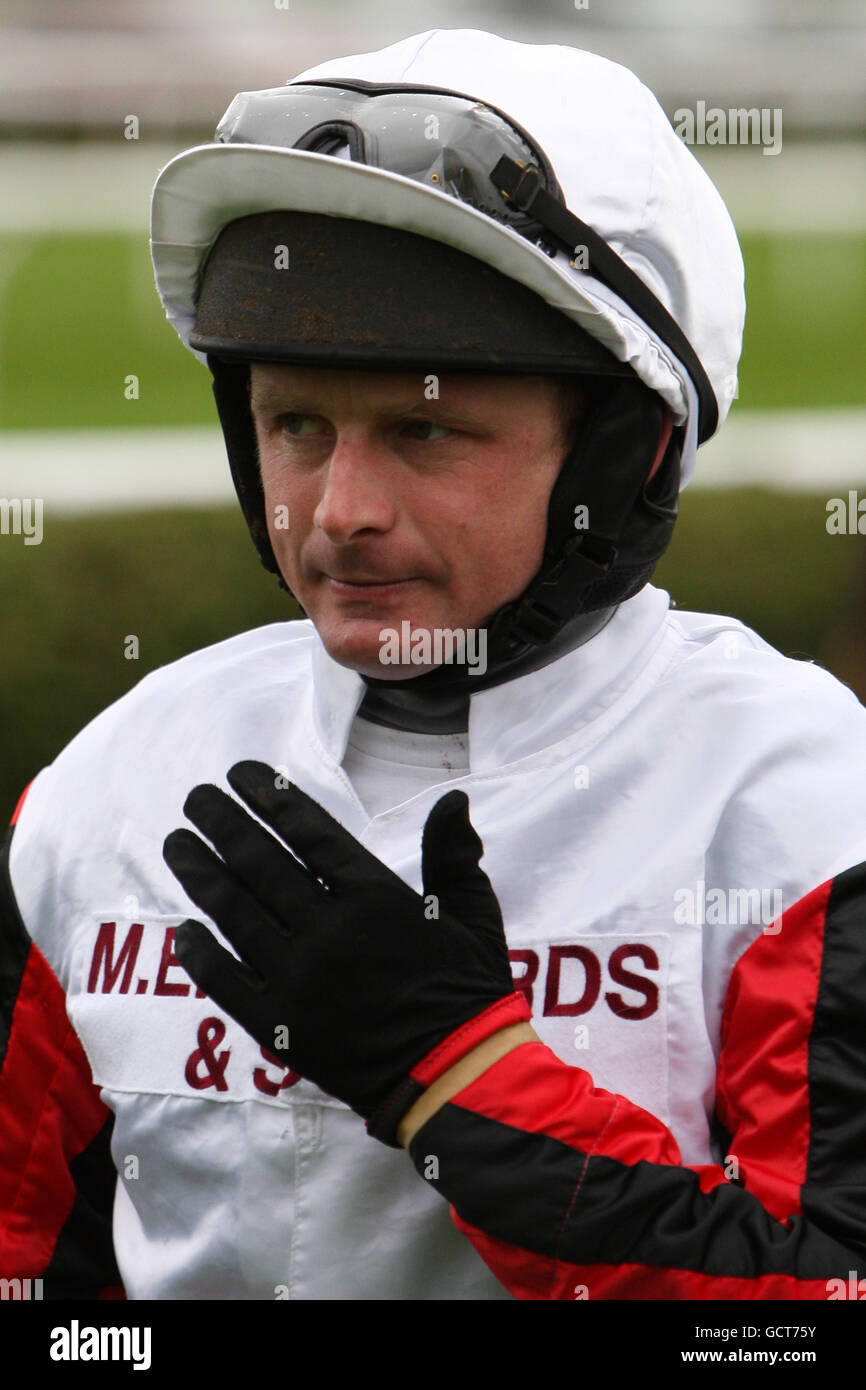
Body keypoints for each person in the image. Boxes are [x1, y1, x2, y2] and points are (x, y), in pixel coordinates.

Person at [2, 27, 865, 1301]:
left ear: (625, 450)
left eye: (422, 430)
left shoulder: (804, 807)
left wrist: (449, 1068)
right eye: (296, 423)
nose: (339, 507)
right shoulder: (109, 781)